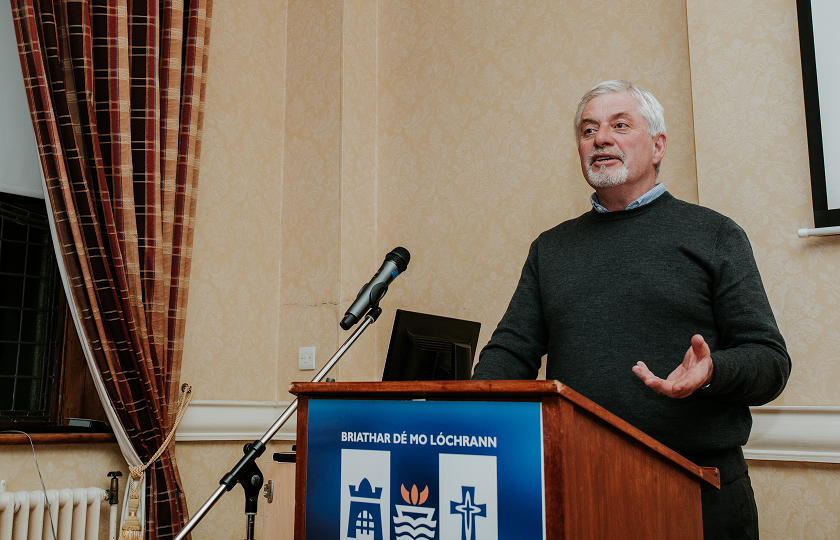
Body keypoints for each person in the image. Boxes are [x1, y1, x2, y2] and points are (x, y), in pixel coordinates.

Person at [472, 79, 791, 539]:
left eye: (620, 125)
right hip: (579, 490)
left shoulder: (714, 234)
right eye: (588, 130)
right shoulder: (551, 249)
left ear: (658, 146)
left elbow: (770, 360)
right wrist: (461, 409)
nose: (600, 138)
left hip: (697, 490)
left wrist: (711, 372)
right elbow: (511, 352)